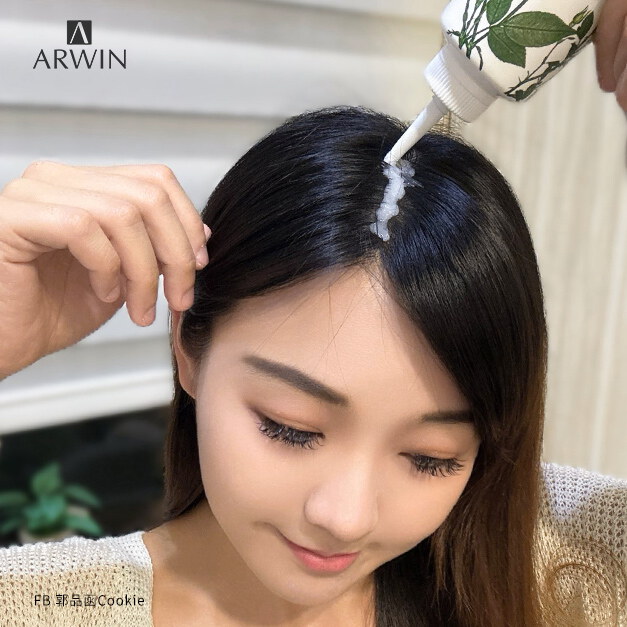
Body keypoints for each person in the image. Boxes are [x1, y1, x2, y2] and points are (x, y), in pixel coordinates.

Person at [0, 104, 625, 627]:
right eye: (291, 428)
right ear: (189, 348)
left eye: (430, 458)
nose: (344, 518)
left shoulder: (572, 568)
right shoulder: (46, 606)